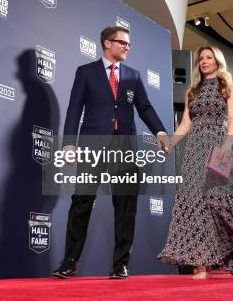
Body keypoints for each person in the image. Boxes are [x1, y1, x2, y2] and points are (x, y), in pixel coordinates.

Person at [51, 26, 169, 279]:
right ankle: (70, 260)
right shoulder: (85, 72)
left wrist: (160, 132)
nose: (128, 47)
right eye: (123, 42)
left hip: (124, 147)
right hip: (92, 145)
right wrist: (69, 144)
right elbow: (74, 109)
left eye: (129, 43)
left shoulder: (133, 76)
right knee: (82, 201)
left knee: (126, 205)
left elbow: (145, 108)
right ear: (107, 43)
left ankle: (120, 264)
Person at [157, 45, 233, 279]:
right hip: (195, 150)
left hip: (220, 147)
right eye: (201, 58)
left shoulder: (228, 87)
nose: (204, 61)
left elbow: (232, 122)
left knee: (225, 203)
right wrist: (172, 143)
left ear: (217, 60)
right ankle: (200, 263)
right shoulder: (192, 91)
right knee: (193, 205)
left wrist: (225, 149)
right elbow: (185, 124)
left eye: (208, 57)